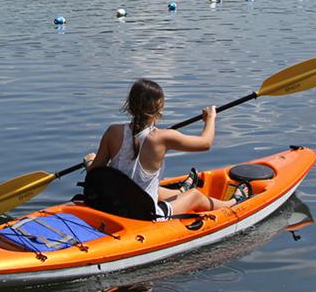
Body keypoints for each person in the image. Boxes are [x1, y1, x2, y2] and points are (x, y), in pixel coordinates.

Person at [83, 79, 248, 219]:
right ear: (159, 109)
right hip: (144, 215)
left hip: (111, 204)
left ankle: (181, 191)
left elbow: (94, 172)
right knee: (195, 196)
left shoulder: (113, 131)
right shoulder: (163, 137)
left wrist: (89, 161)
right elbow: (205, 143)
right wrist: (210, 119)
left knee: (154, 188)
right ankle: (233, 203)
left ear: (130, 105)